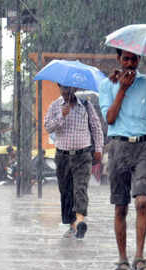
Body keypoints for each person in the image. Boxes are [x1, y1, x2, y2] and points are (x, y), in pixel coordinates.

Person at [99, 49, 146, 270]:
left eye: (134, 59)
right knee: (120, 206)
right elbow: (110, 118)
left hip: (143, 145)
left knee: (142, 201)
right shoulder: (107, 85)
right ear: (118, 60)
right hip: (118, 146)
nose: (130, 63)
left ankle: (139, 257)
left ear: (139, 60)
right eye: (126, 59)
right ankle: (122, 259)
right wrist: (122, 89)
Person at [44, 84, 103, 239]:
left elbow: (96, 127)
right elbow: (48, 127)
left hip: (82, 155)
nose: (66, 93)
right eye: (63, 89)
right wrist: (61, 116)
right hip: (62, 156)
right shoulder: (55, 106)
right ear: (58, 88)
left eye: (69, 90)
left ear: (75, 90)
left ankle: (80, 220)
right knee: (66, 191)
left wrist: (98, 149)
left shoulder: (86, 105)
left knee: (80, 188)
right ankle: (72, 224)